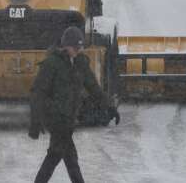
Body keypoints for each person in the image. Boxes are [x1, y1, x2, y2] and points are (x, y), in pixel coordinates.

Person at [29, 26, 120, 183]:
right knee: (60, 154)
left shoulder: (81, 63)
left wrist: (109, 106)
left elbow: (93, 87)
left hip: (69, 117)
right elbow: (38, 93)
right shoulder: (52, 63)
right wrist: (35, 121)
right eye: (75, 47)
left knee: (64, 156)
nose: (78, 50)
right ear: (65, 46)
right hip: (55, 117)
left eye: (80, 47)